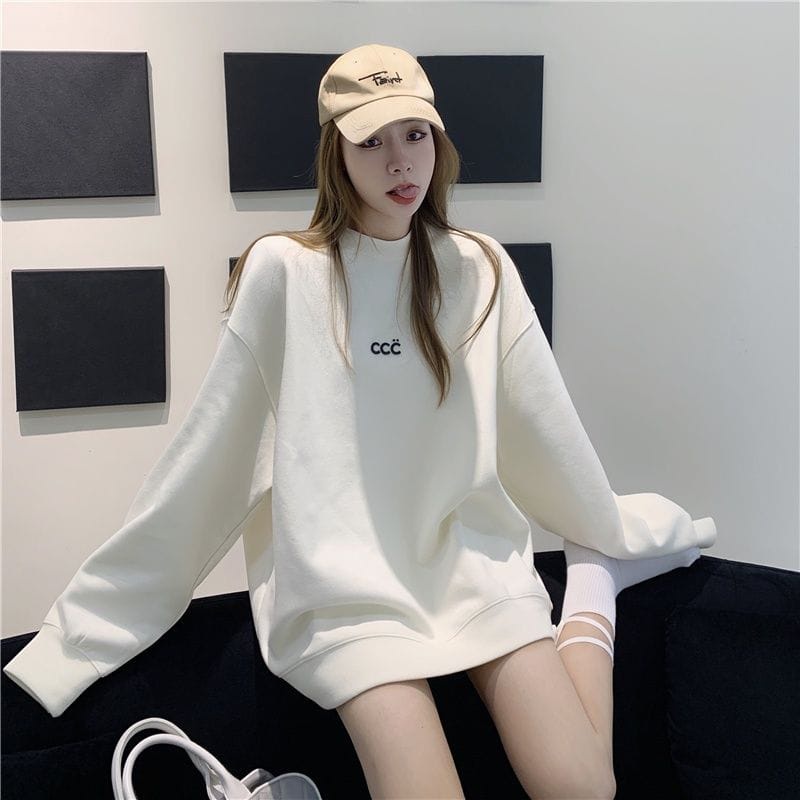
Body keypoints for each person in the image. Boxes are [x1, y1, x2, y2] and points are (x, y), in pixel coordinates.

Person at [3, 44, 717, 800]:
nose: (400, 161)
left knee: (583, 787)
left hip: (472, 567)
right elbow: (207, 465)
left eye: (415, 133)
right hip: (346, 597)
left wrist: (605, 526)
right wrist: (78, 640)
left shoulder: (480, 267)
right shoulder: (284, 271)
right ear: (335, 154)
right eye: (370, 140)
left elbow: (546, 431)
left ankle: (594, 583)